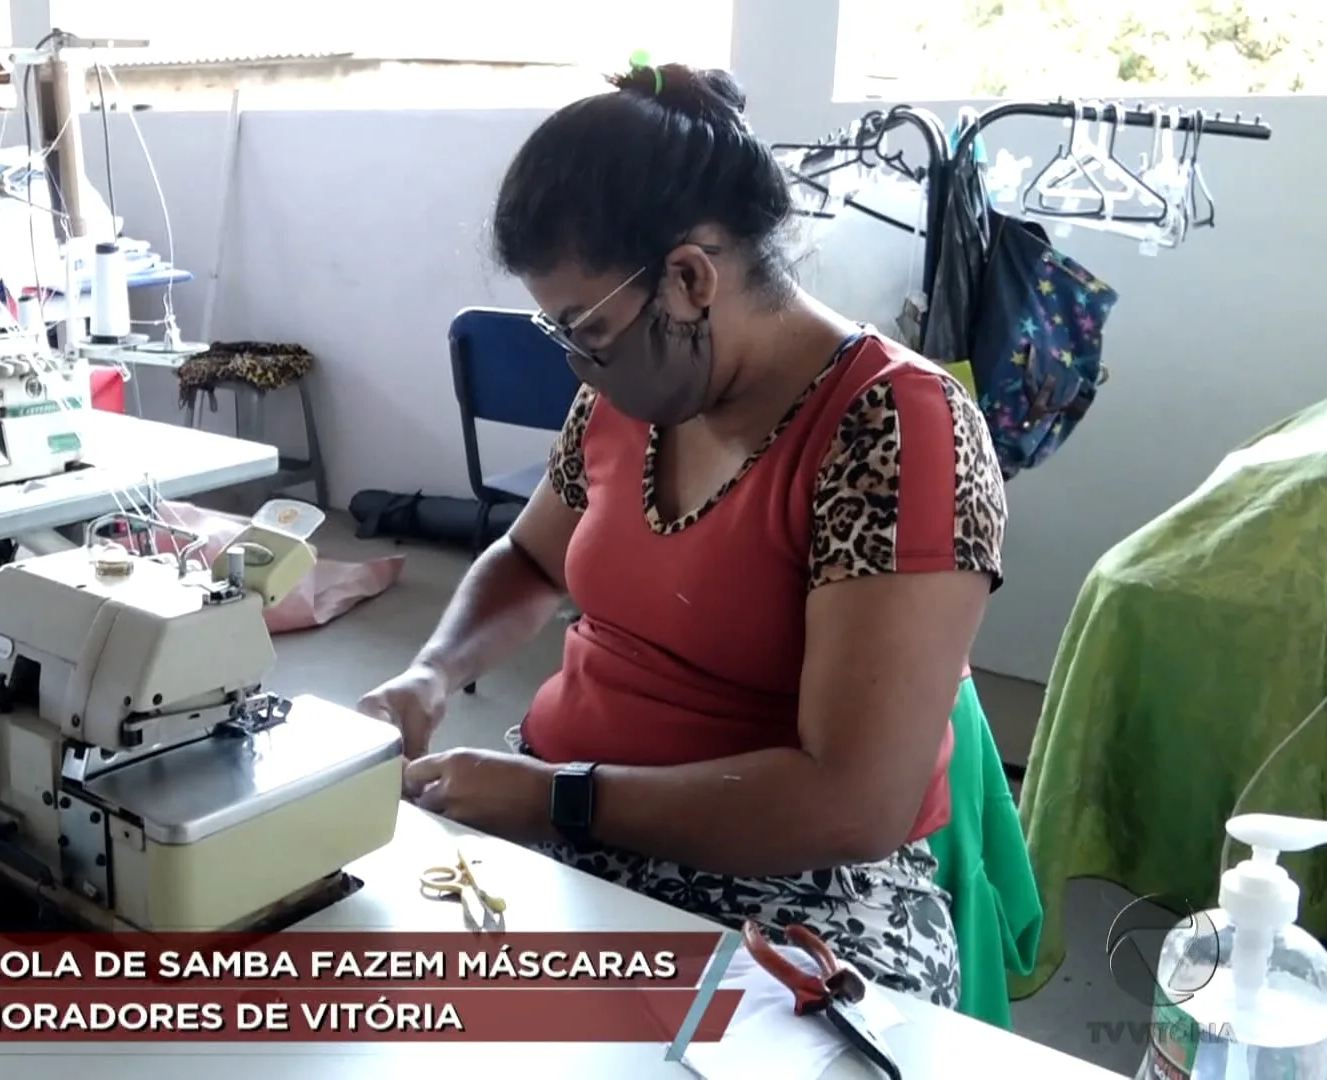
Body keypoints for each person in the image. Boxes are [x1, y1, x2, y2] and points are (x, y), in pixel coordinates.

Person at [357, 63, 1006, 1009]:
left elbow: (853, 804)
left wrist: (558, 799)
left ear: (691, 278)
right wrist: (430, 674)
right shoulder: (633, 392)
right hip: (560, 810)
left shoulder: (895, 428)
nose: (576, 359)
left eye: (584, 326)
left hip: (791, 889)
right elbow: (531, 558)